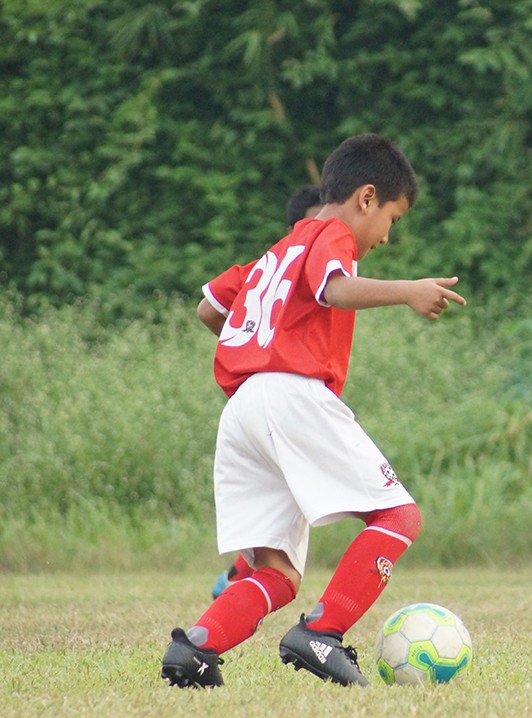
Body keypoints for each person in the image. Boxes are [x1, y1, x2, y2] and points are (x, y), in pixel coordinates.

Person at [160, 134, 467, 688]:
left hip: (244, 407)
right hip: (290, 395)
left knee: (275, 572)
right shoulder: (333, 234)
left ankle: (196, 648)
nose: (387, 236)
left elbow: (209, 308)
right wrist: (408, 290)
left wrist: (257, 346)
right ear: (367, 197)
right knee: (398, 516)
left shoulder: (276, 252)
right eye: (392, 219)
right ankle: (323, 633)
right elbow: (336, 290)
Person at [209, 183, 325, 600]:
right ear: (296, 228)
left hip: (265, 401)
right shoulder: (286, 267)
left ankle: (237, 577)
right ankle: (239, 579)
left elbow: (208, 307)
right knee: (302, 496)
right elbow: (208, 308)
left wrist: (248, 347)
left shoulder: (270, 267)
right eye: (316, 222)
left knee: (288, 500)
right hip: (282, 400)